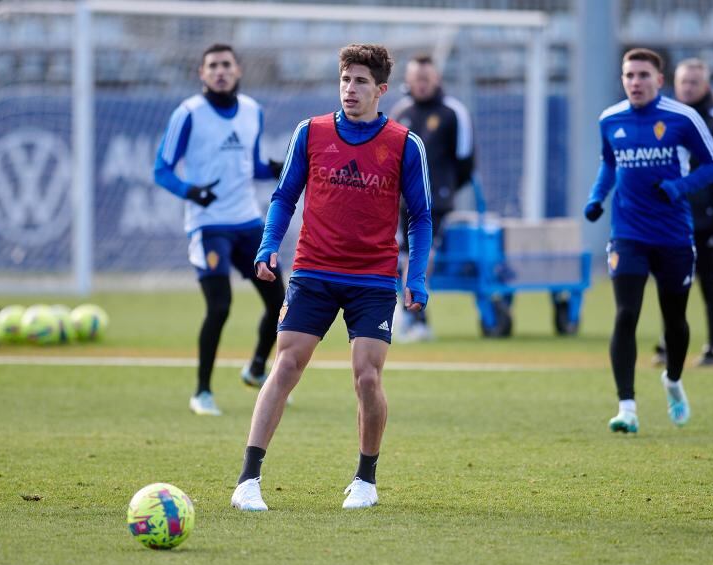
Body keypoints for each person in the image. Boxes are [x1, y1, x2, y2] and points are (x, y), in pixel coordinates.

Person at [230, 44, 432, 511]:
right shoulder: (311, 132)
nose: (350, 89)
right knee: (285, 366)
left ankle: (365, 480)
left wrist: (415, 276)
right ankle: (248, 480)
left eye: (361, 82)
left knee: (366, 376)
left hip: (374, 279)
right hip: (314, 271)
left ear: (381, 90)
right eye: (345, 80)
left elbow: (421, 216)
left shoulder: (405, 143)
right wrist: (267, 247)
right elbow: (284, 197)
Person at [584, 48, 713, 434]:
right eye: (629, 76)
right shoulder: (610, 119)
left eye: (643, 75)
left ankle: (674, 381)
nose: (635, 82)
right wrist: (597, 198)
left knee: (675, 319)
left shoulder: (683, 118)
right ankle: (626, 407)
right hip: (627, 234)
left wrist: (679, 188)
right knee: (626, 314)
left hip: (674, 236)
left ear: (659, 80)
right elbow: (609, 164)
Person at [153, 43, 285, 416]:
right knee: (220, 306)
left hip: (249, 222)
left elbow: (250, 164)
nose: (220, 71)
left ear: (238, 70)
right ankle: (202, 393)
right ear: (202, 73)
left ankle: (257, 368)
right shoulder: (188, 114)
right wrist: (190, 191)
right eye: (212, 65)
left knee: (281, 304)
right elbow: (161, 169)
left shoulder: (252, 111)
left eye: (226, 64)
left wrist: (275, 168)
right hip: (208, 226)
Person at [390, 54, 475, 341]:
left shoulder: (453, 112)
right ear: (408, 81)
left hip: (436, 198)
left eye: (426, 78)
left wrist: (446, 187)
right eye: (416, 79)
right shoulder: (400, 112)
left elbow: (465, 159)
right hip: (402, 198)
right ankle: (409, 315)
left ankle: (414, 315)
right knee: (401, 254)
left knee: (421, 253)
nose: (421, 84)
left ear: (436, 79)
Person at [652, 58, 713, 367]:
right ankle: (668, 342)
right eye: (683, 82)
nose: (687, 87)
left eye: (694, 82)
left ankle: (712, 346)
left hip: (708, 219)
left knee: (708, 281)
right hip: (673, 220)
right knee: (670, 281)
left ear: (706, 86)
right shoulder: (667, 120)